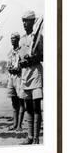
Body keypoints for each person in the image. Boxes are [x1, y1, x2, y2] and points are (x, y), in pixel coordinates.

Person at [19, 11, 43, 144]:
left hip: (35, 73)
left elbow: (44, 55)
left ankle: (36, 138)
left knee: (36, 106)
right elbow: (20, 57)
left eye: (27, 21)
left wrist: (33, 58)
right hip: (25, 74)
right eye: (23, 20)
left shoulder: (39, 36)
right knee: (27, 106)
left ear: (33, 22)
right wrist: (22, 62)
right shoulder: (22, 39)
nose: (24, 23)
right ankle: (29, 136)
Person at [7, 32, 25, 131]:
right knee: (14, 101)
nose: (12, 40)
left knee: (21, 100)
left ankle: (19, 125)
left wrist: (19, 68)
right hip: (11, 77)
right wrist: (10, 69)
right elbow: (8, 64)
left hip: (20, 77)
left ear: (18, 39)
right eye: (11, 38)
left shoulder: (22, 50)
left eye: (14, 38)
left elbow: (24, 63)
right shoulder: (10, 52)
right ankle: (14, 124)